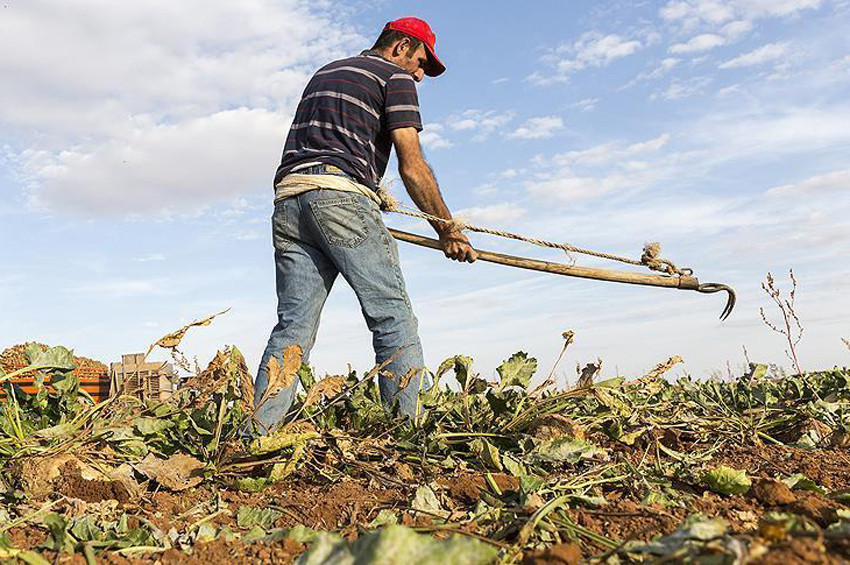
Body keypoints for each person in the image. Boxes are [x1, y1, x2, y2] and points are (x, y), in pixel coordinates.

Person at [253, 17, 477, 432]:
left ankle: (256, 434)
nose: (421, 75)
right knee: (392, 317)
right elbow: (412, 164)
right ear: (401, 47)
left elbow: (331, 145)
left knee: (292, 328)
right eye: (422, 62)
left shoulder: (326, 72)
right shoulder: (395, 77)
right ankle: (406, 434)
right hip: (340, 197)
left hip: (289, 201)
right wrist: (447, 229)